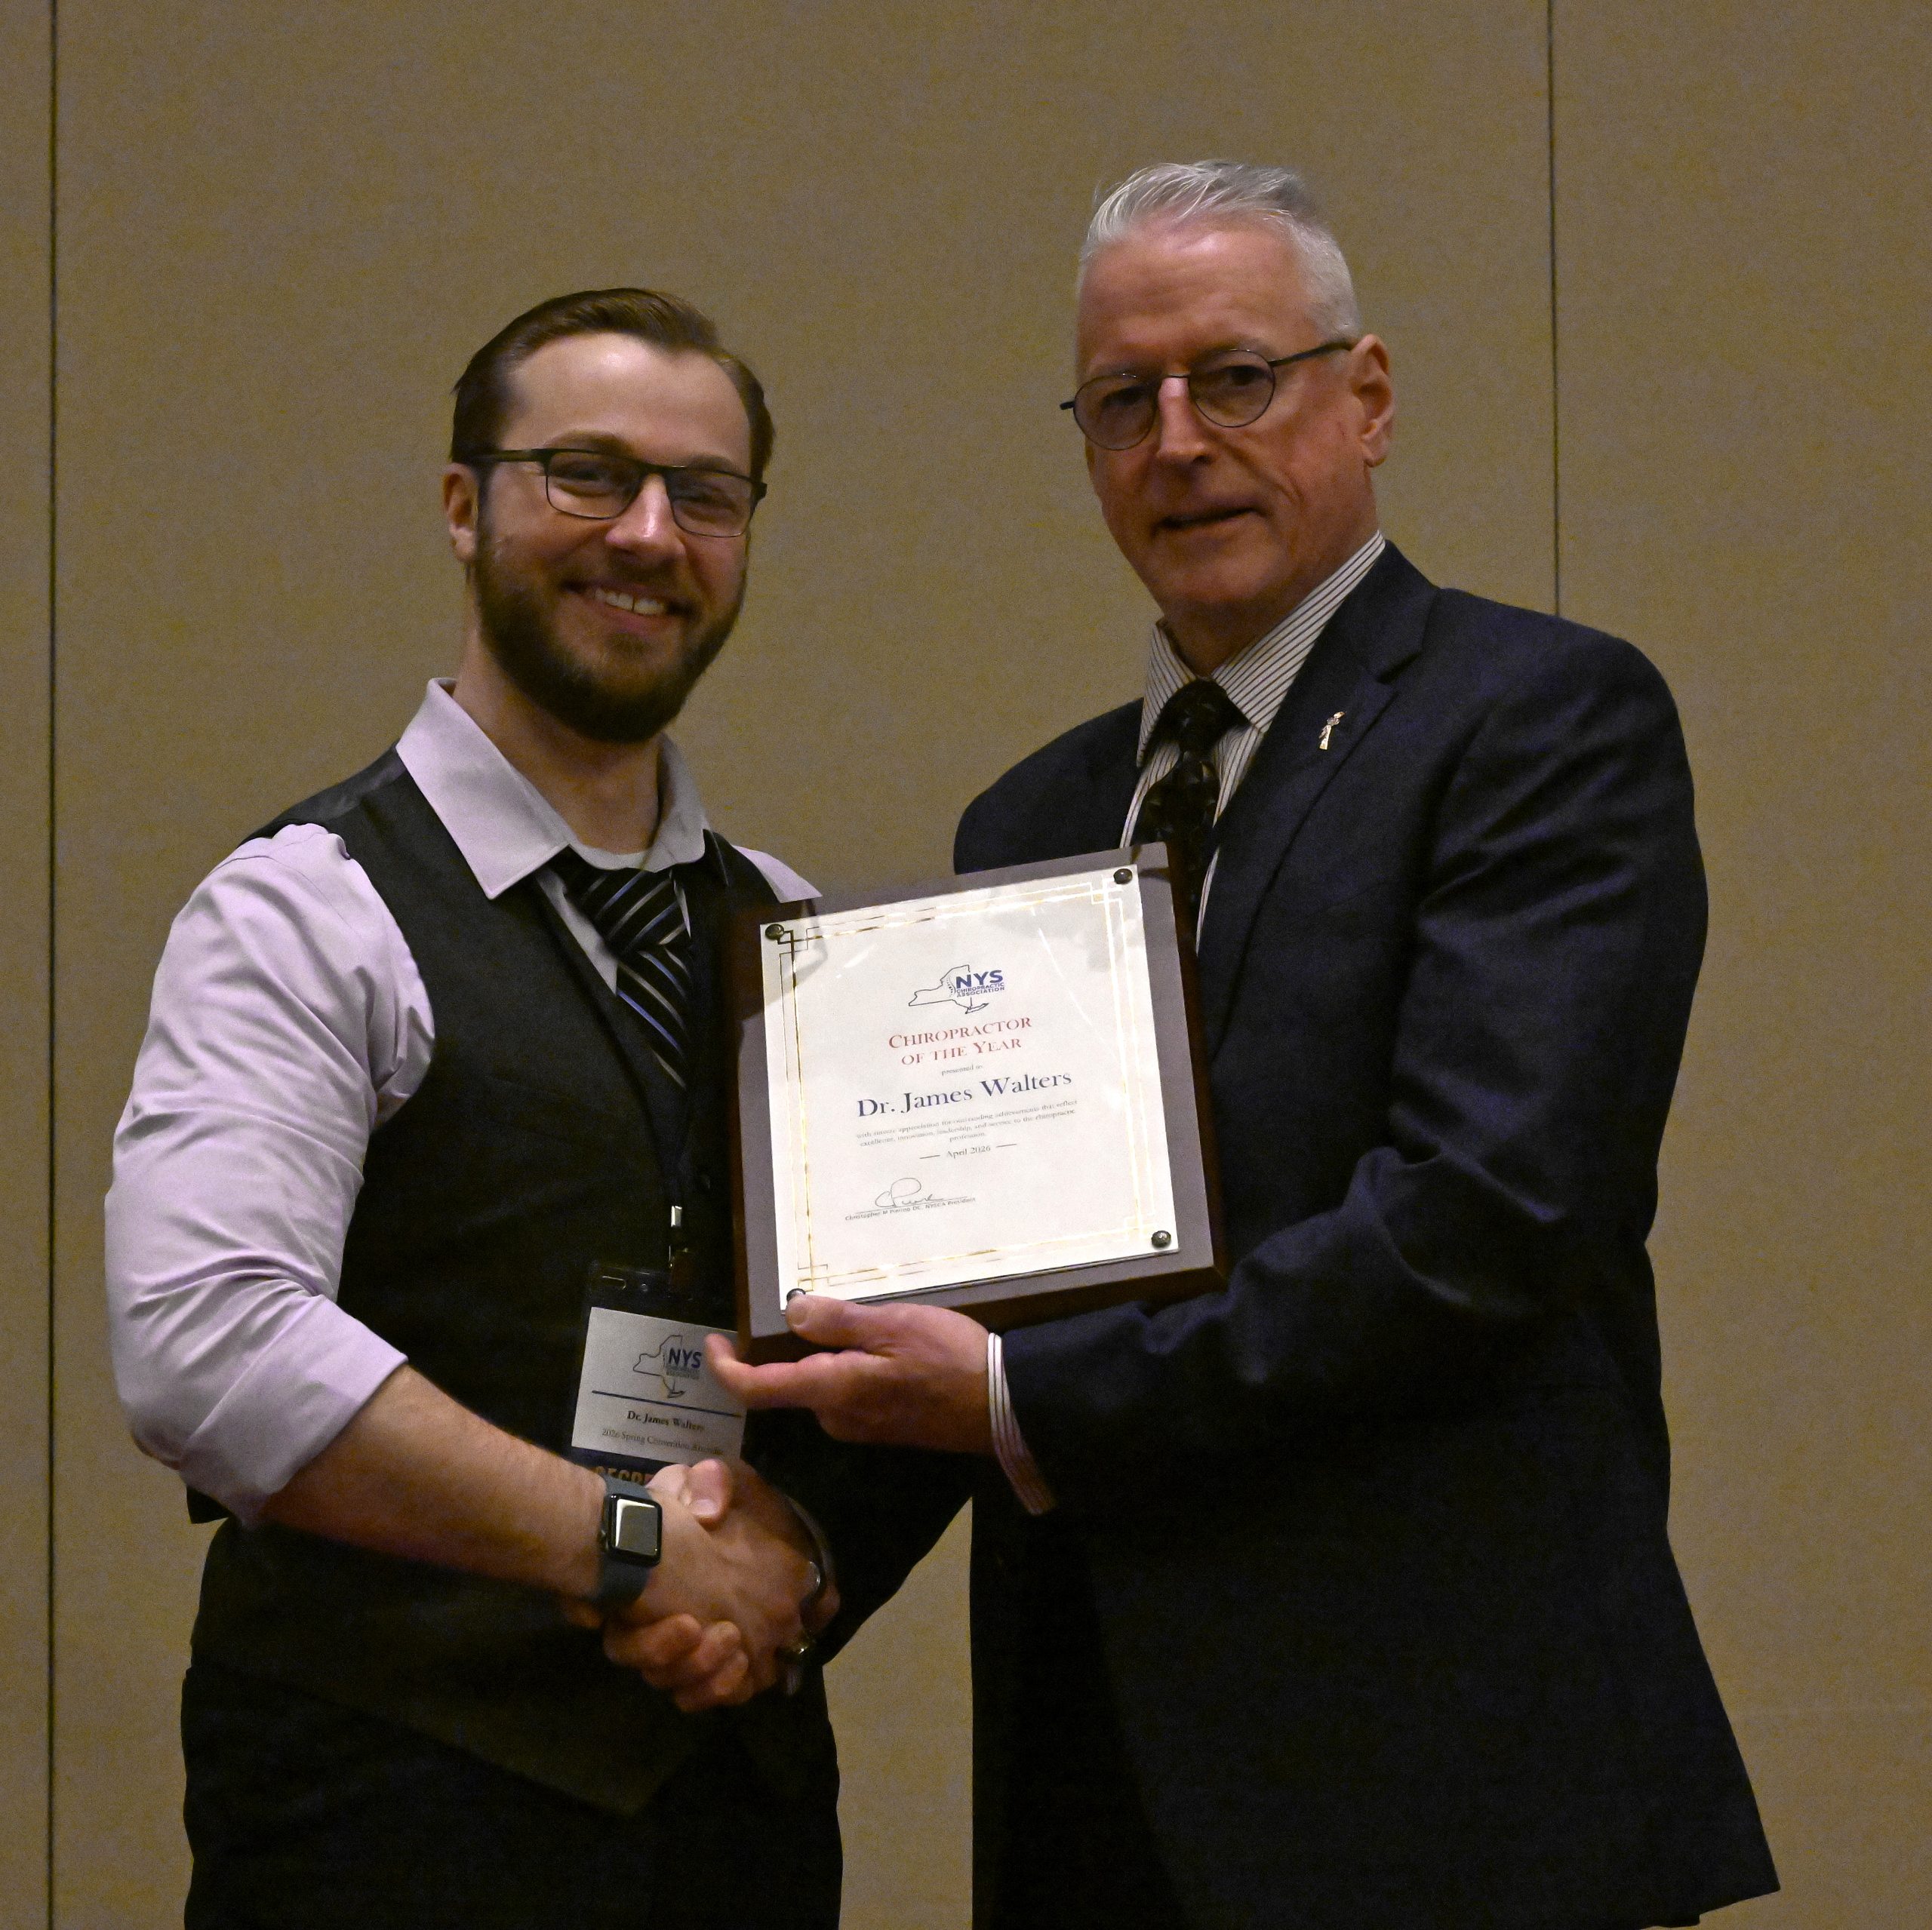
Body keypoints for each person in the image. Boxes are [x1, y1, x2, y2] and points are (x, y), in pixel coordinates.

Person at [711, 162, 1781, 1929]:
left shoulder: (1533, 721)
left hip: (1450, 1789)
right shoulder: (1032, 816)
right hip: (1100, 1784)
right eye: (1121, 400)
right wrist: (781, 1542)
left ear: (1363, 396)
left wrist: (1009, 1399)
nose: (1178, 439)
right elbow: (975, 1289)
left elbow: (1480, 1221)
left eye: (1236, 377)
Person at [106, 287, 943, 1930]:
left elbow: (878, 1337)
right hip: (386, 1821)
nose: (646, 533)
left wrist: (795, 1563)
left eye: (703, 493)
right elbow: (204, 1342)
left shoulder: (793, 931)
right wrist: (628, 1543)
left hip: (735, 1821)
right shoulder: (303, 909)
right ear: (459, 501)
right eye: (585, 473)